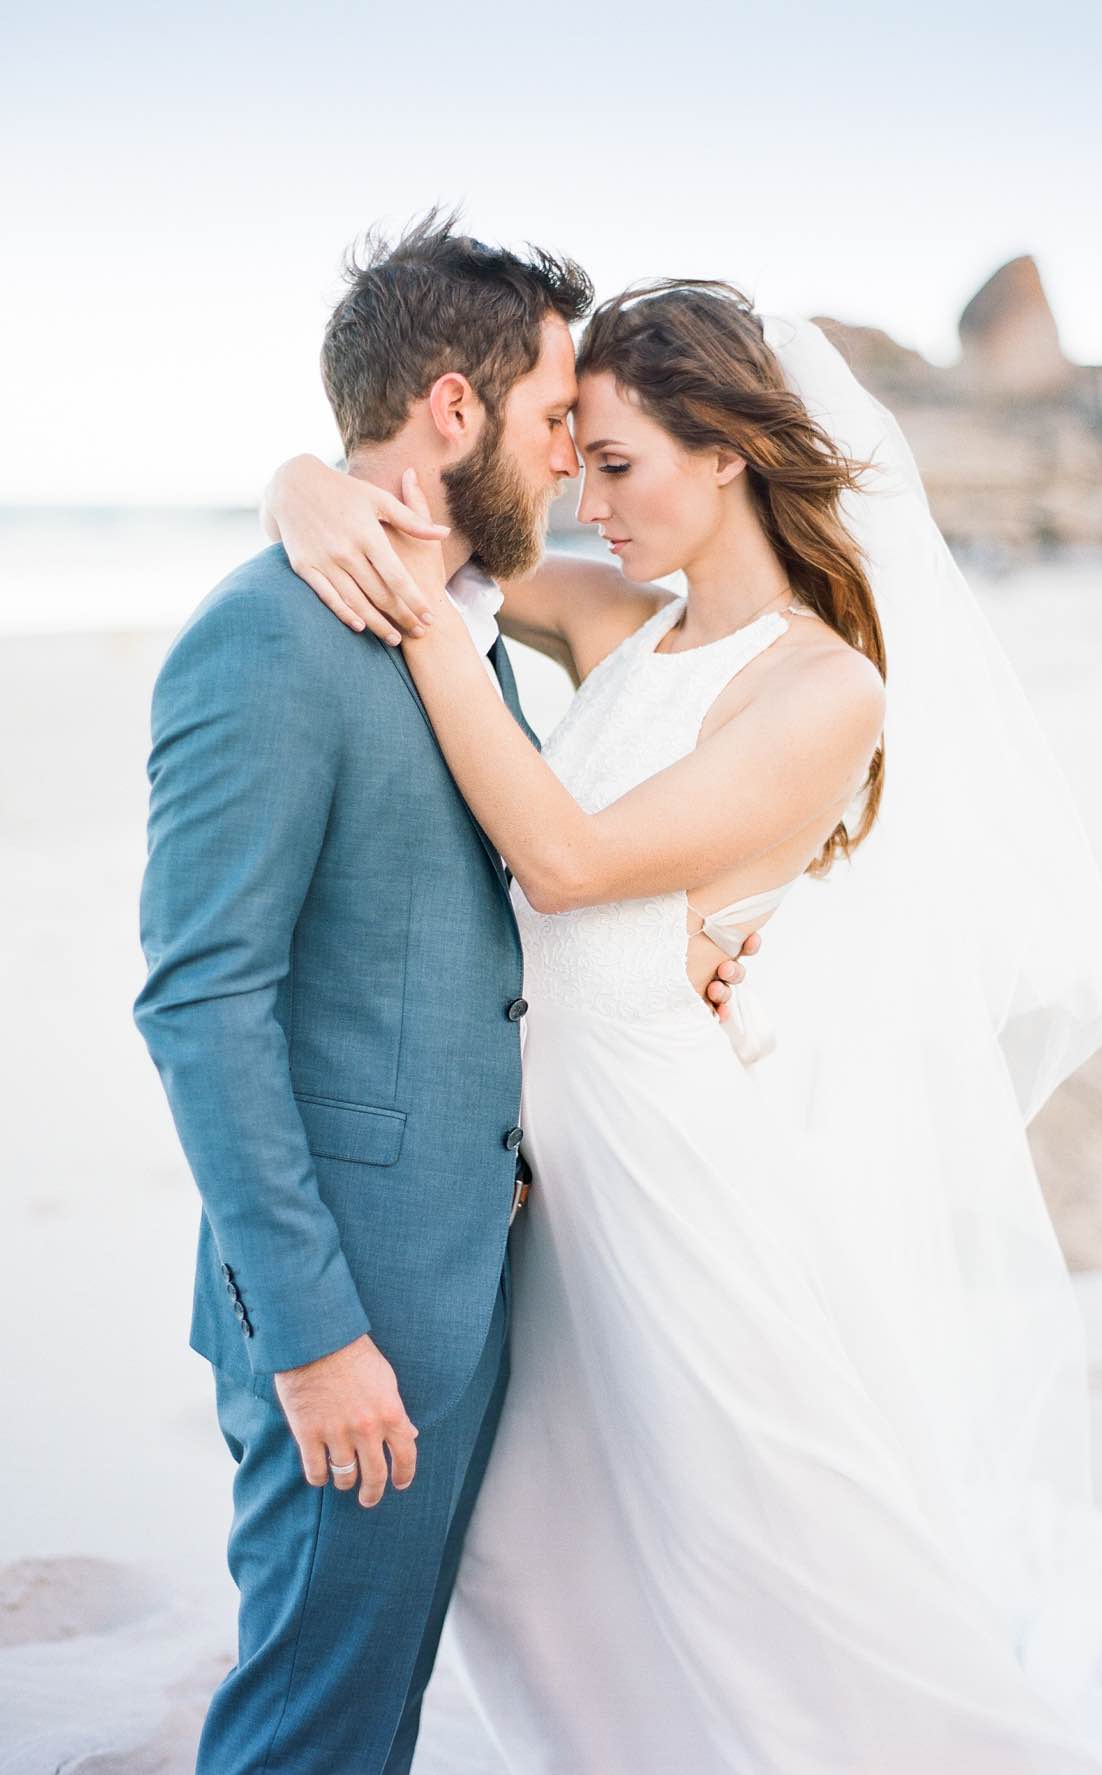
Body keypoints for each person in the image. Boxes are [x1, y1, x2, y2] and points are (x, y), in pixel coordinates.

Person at [266, 259, 1102, 1771]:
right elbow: (436, 546)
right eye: (575, 457)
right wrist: (300, 485)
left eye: (621, 464)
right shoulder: (619, 623)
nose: (584, 501)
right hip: (541, 1181)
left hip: (664, 1174)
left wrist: (439, 642)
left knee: (765, 1572)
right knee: (539, 1557)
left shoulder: (827, 688)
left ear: (729, 453)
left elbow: (568, 861)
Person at [132, 214, 753, 1775]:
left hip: (462, 1281)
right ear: (456, 411)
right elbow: (202, 1002)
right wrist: (316, 1334)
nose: (568, 464)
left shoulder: (483, 642)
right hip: (351, 1317)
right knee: (310, 1725)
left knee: (372, 1707)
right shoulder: (262, 640)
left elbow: (480, 940)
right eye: (557, 421)